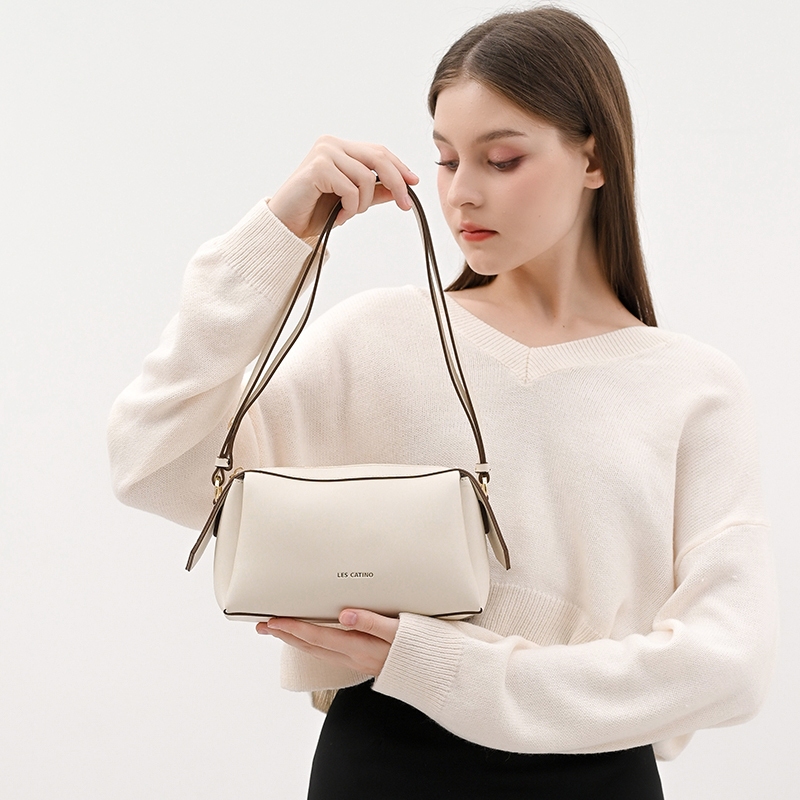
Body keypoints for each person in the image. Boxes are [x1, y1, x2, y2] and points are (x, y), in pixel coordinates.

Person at [107, 6, 778, 799]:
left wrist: (443, 666)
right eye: (448, 160)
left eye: (502, 159)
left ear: (594, 157)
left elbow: (730, 663)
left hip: (596, 776)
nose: (463, 194)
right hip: (384, 763)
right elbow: (151, 463)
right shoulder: (378, 340)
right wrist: (276, 237)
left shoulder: (692, 387)